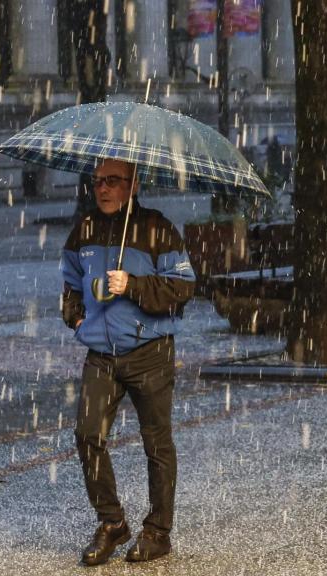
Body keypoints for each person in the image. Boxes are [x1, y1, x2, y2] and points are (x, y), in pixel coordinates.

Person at [60, 159, 195, 566]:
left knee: (156, 444)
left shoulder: (158, 229)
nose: (102, 189)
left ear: (134, 185)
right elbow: (69, 282)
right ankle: (112, 522)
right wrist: (75, 315)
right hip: (101, 355)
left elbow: (184, 286)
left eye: (113, 181)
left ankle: (158, 532)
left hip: (149, 353)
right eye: (98, 181)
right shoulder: (83, 229)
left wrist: (132, 286)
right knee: (87, 434)